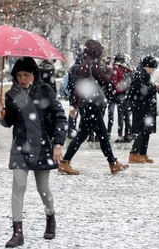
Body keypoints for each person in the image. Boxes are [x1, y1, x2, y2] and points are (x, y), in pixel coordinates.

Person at [0, 57, 67, 247]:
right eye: (19, 75)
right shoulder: (12, 95)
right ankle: (17, 232)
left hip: (42, 145)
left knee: (43, 188)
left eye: (26, 75)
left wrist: (58, 143)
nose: (22, 79)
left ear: (33, 74)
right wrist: (1, 114)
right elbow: (8, 121)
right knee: (18, 187)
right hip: (20, 146)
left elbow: (59, 115)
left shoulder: (45, 91)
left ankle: (50, 218)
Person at [58, 39, 129, 175]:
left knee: (102, 135)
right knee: (82, 135)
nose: (101, 52)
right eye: (99, 50)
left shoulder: (84, 64)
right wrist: (109, 71)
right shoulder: (92, 64)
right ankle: (65, 162)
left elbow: (79, 85)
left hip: (89, 104)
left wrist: (76, 104)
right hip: (92, 104)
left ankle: (113, 163)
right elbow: (107, 80)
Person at [128, 56, 159, 163]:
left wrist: (156, 87)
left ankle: (143, 153)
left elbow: (148, 89)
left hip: (147, 108)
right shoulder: (139, 75)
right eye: (152, 68)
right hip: (141, 108)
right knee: (141, 130)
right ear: (146, 66)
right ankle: (134, 154)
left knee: (146, 131)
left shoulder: (146, 75)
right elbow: (142, 91)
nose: (153, 71)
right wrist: (155, 87)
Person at [111, 52, 133, 143]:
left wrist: (115, 90)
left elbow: (114, 82)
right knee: (127, 115)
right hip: (127, 93)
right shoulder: (127, 69)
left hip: (120, 94)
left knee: (120, 115)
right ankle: (128, 135)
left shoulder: (116, 69)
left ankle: (120, 135)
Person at [66, 53, 83, 139]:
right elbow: (75, 83)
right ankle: (73, 130)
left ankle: (71, 130)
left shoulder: (72, 68)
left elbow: (70, 82)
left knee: (73, 113)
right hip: (77, 95)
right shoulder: (78, 68)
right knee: (76, 113)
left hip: (73, 94)